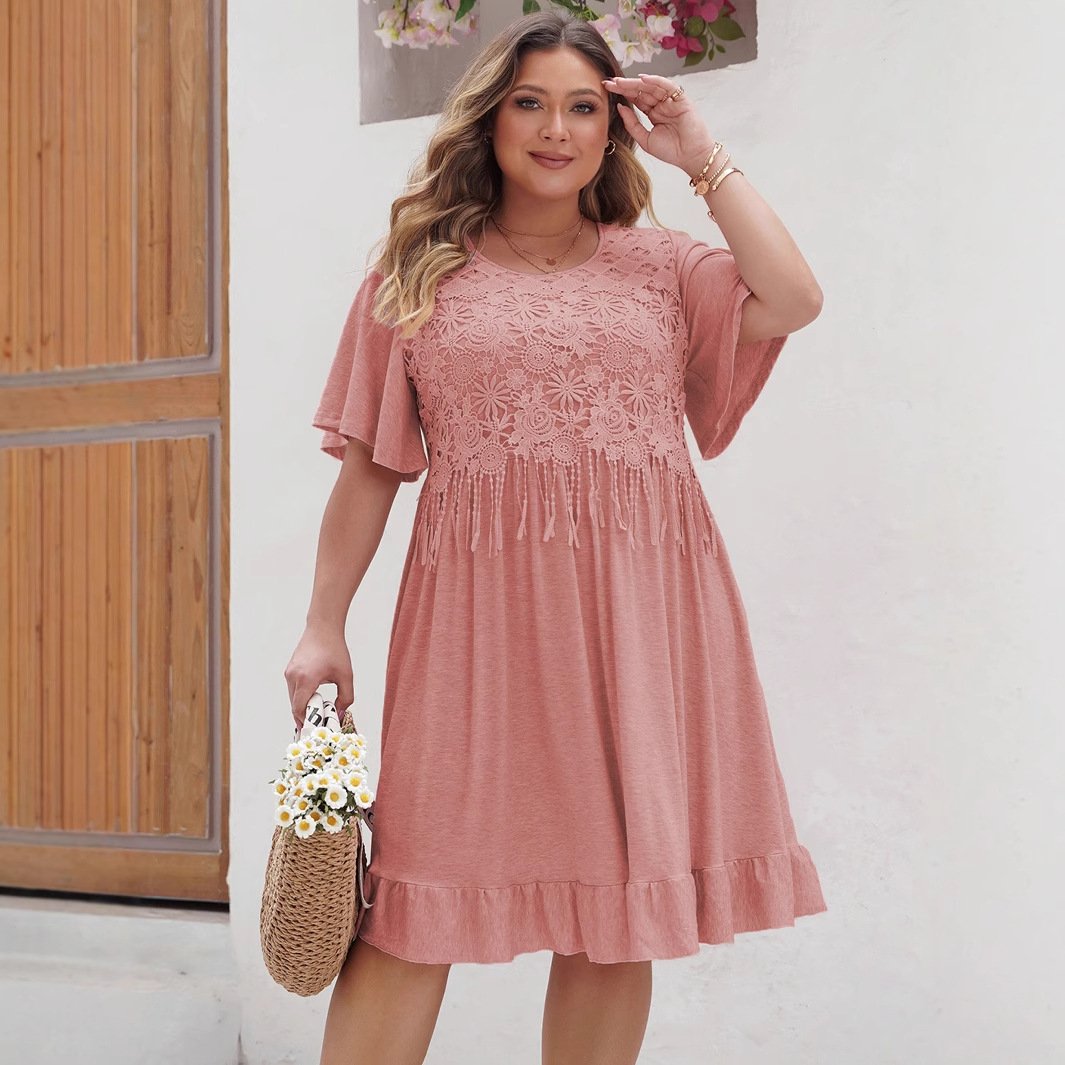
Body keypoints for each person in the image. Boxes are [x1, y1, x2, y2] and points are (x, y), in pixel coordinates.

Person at [285, 10, 827, 1065]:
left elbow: (795, 297)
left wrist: (700, 155)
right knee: (414, 903)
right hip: (477, 634)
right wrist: (321, 625)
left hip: (643, 623)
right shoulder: (415, 275)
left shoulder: (664, 267)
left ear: (610, 131)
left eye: (583, 108)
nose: (555, 129)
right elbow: (369, 470)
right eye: (529, 103)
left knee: (619, 906)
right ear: (490, 119)